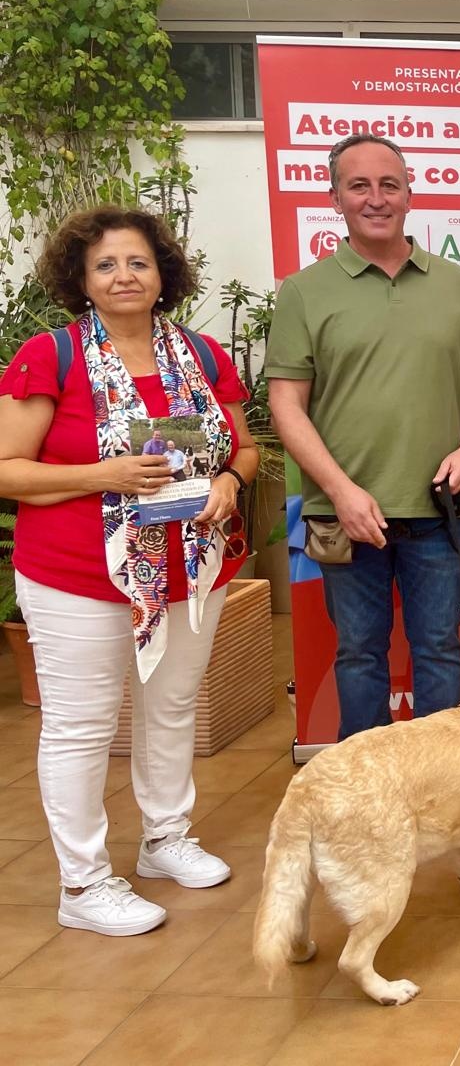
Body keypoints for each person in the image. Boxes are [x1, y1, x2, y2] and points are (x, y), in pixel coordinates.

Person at [0, 206, 260, 935]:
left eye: (138, 263)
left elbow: (245, 449)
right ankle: (82, 886)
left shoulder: (203, 355)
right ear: (81, 279)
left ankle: (164, 839)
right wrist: (100, 473)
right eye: (106, 264)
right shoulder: (53, 355)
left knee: (172, 707)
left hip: (186, 566)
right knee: (80, 729)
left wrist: (230, 483)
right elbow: (6, 469)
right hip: (75, 574)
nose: (124, 276)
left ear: (162, 274)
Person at [266, 134, 460, 740]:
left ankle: (442, 788)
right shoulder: (302, 292)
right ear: (335, 197)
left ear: (409, 192)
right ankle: (364, 798)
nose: (376, 199)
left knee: (441, 653)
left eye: (388, 184)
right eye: (359, 186)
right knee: (359, 656)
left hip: (436, 507)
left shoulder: (457, 284)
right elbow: (286, 406)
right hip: (348, 514)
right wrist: (342, 491)